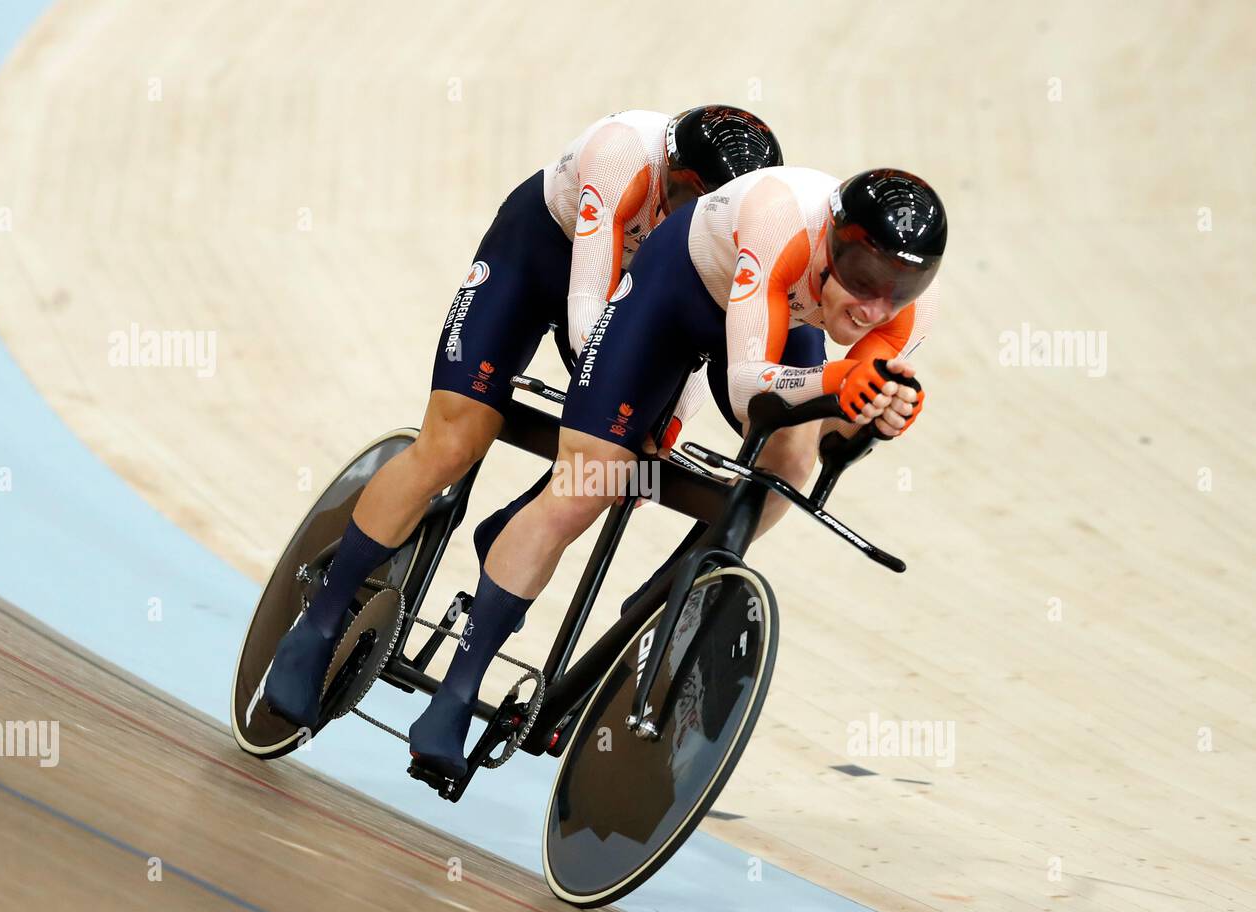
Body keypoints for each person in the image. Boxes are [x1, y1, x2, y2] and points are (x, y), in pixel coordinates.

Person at [407, 166, 946, 779]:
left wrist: (876, 416)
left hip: (783, 321)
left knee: (790, 465)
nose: (875, 305)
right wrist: (835, 379)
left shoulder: (909, 308)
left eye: (898, 288)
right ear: (830, 242)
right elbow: (748, 391)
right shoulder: (781, 222)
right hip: (678, 290)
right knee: (593, 483)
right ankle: (458, 686)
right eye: (864, 278)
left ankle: (661, 600)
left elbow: (835, 428)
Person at [262, 106, 783, 730]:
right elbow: (590, 303)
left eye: (704, 205)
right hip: (540, 258)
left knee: (604, 480)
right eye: (680, 193)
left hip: (646, 299)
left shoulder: (745, 237)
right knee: (454, 441)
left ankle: (513, 530)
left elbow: (698, 346)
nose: (685, 212)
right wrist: (611, 409)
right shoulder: (623, 155)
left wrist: (661, 428)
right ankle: (320, 619)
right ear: (666, 166)